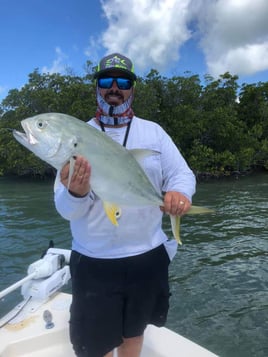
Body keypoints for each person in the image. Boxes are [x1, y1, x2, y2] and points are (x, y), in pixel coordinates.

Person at [54, 53, 196, 357]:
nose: (114, 87)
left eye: (123, 81)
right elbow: (66, 210)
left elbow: (181, 174)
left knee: (134, 333)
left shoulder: (153, 133)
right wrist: (75, 193)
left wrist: (179, 193)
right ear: (97, 87)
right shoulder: (74, 136)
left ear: (132, 88)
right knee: (94, 347)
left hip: (147, 258)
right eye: (106, 81)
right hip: (95, 263)